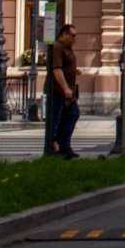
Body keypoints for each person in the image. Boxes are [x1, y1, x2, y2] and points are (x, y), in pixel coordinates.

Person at [45, 23, 81, 158]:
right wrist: (65, 88)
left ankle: (64, 146)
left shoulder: (67, 48)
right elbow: (57, 69)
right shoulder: (57, 47)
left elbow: (65, 67)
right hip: (58, 91)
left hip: (68, 92)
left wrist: (74, 71)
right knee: (56, 119)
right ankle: (56, 147)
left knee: (72, 115)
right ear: (64, 34)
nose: (74, 38)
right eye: (72, 35)